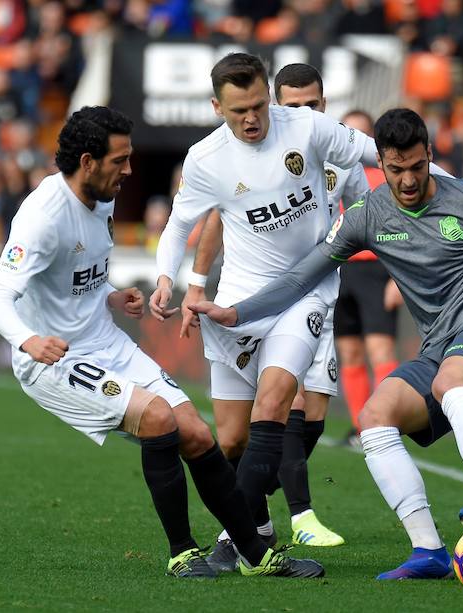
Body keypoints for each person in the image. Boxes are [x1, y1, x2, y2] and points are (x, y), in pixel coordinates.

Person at [189, 108, 463, 580]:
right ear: (380, 162)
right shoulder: (367, 216)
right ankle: (429, 550)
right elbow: (300, 278)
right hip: (438, 348)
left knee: (451, 383)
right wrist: (236, 312)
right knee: (375, 417)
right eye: (396, 170)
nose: (409, 180)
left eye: (417, 167)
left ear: (430, 156)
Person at [0, 105, 324, 579]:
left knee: (199, 433)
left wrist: (109, 294)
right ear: (87, 162)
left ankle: (256, 556)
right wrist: (28, 341)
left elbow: (71, 276)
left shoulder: (101, 198)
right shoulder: (42, 217)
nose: (129, 170)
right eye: (120, 160)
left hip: (105, 341)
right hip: (55, 359)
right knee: (159, 420)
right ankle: (183, 552)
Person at [150, 54, 452, 572]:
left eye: (258, 105)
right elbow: (182, 226)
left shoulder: (308, 127)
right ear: (216, 106)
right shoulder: (205, 159)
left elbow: (388, 157)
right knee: (232, 439)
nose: (252, 118)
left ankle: (236, 541)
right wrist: (168, 279)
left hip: (305, 292)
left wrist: (462, 191)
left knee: (275, 398)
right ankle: (259, 529)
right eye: (238, 110)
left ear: (269, 94)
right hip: (238, 301)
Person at [177, 63, 363, 550]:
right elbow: (211, 221)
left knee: (302, 412)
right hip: (254, 300)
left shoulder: (333, 148)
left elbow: (372, 208)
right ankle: (276, 517)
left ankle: (263, 516)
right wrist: (193, 283)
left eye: (312, 105)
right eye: (292, 105)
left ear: (324, 105)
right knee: (257, 422)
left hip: (316, 293)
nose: (301, 113)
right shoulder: (222, 159)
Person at [333, 109, 402, 448]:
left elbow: (404, 230)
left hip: (378, 268)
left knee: (379, 349)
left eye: (361, 132)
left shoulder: (386, 176)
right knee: (349, 351)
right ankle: (361, 425)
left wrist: (398, 278)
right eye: (348, 131)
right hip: (340, 268)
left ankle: (384, 423)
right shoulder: (330, 172)